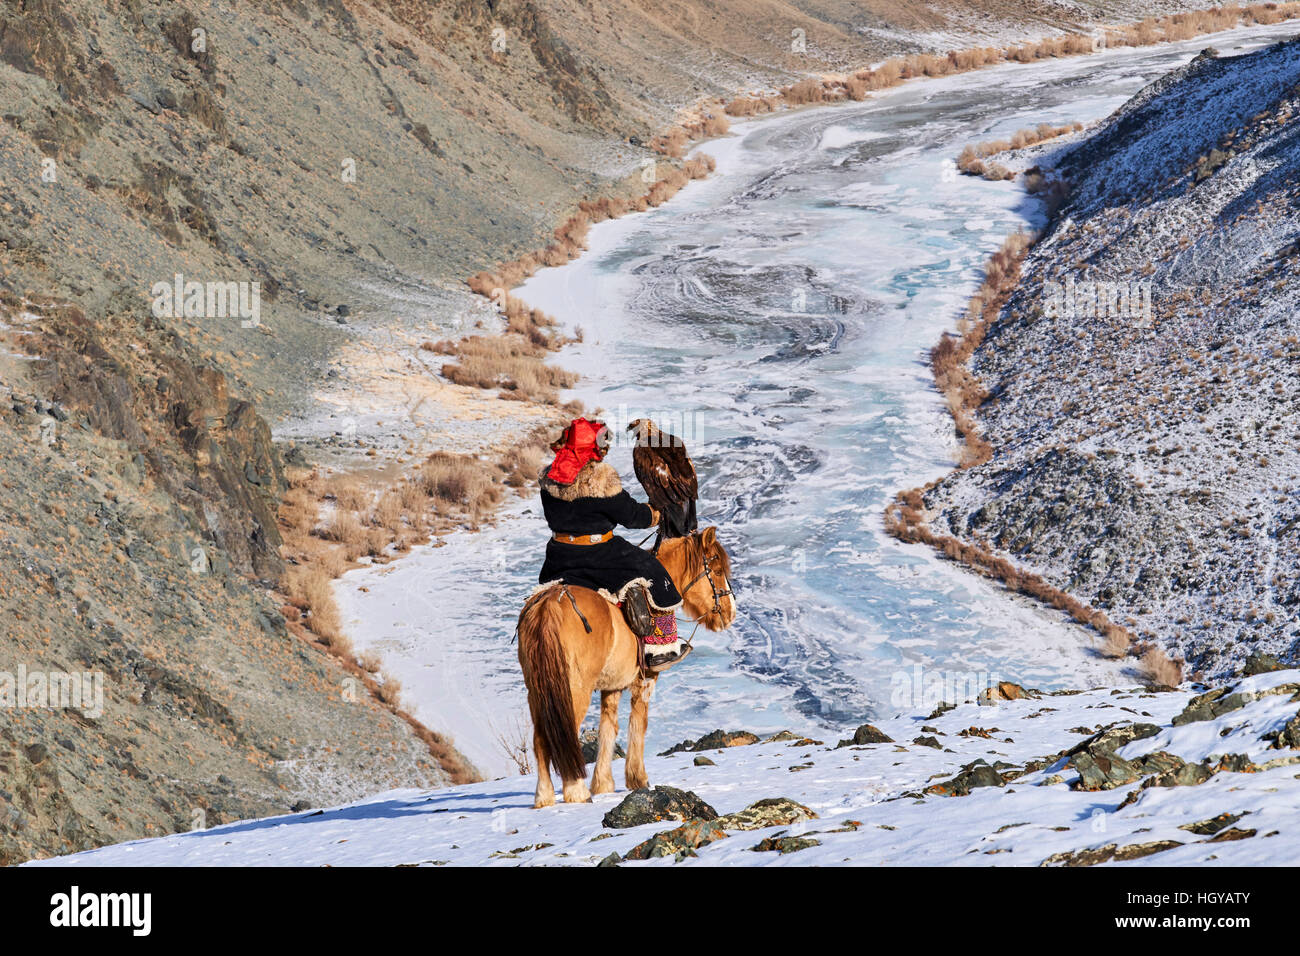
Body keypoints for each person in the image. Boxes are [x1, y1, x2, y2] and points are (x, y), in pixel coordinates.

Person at [537, 417, 684, 667]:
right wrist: (658, 514)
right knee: (652, 569)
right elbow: (633, 517)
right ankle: (661, 647)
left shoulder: (549, 478)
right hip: (601, 554)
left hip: (559, 556)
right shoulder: (602, 479)